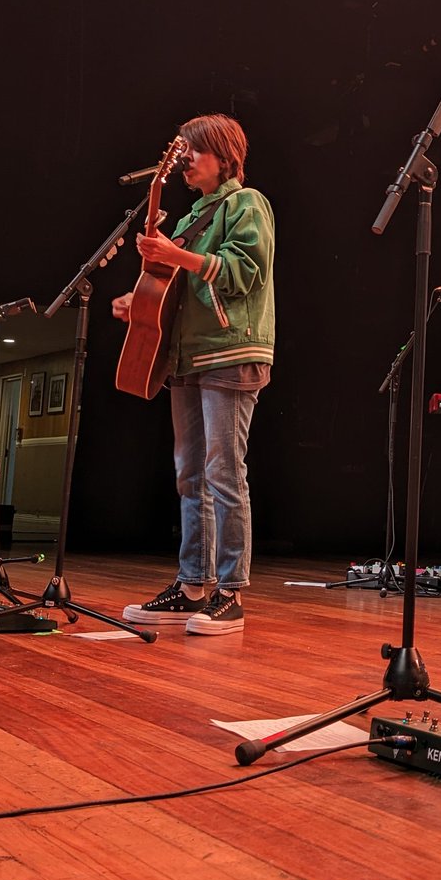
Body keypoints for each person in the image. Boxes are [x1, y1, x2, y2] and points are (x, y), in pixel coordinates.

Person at [114, 113, 275, 636]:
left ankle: (230, 594)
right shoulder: (188, 220)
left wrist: (174, 253)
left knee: (224, 472)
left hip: (231, 352)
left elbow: (240, 272)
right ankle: (192, 587)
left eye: (195, 153)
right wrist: (138, 302)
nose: (185, 163)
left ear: (225, 157)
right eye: (181, 155)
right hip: (187, 357)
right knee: (190, 475)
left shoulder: (246, 205)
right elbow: (179, 287)